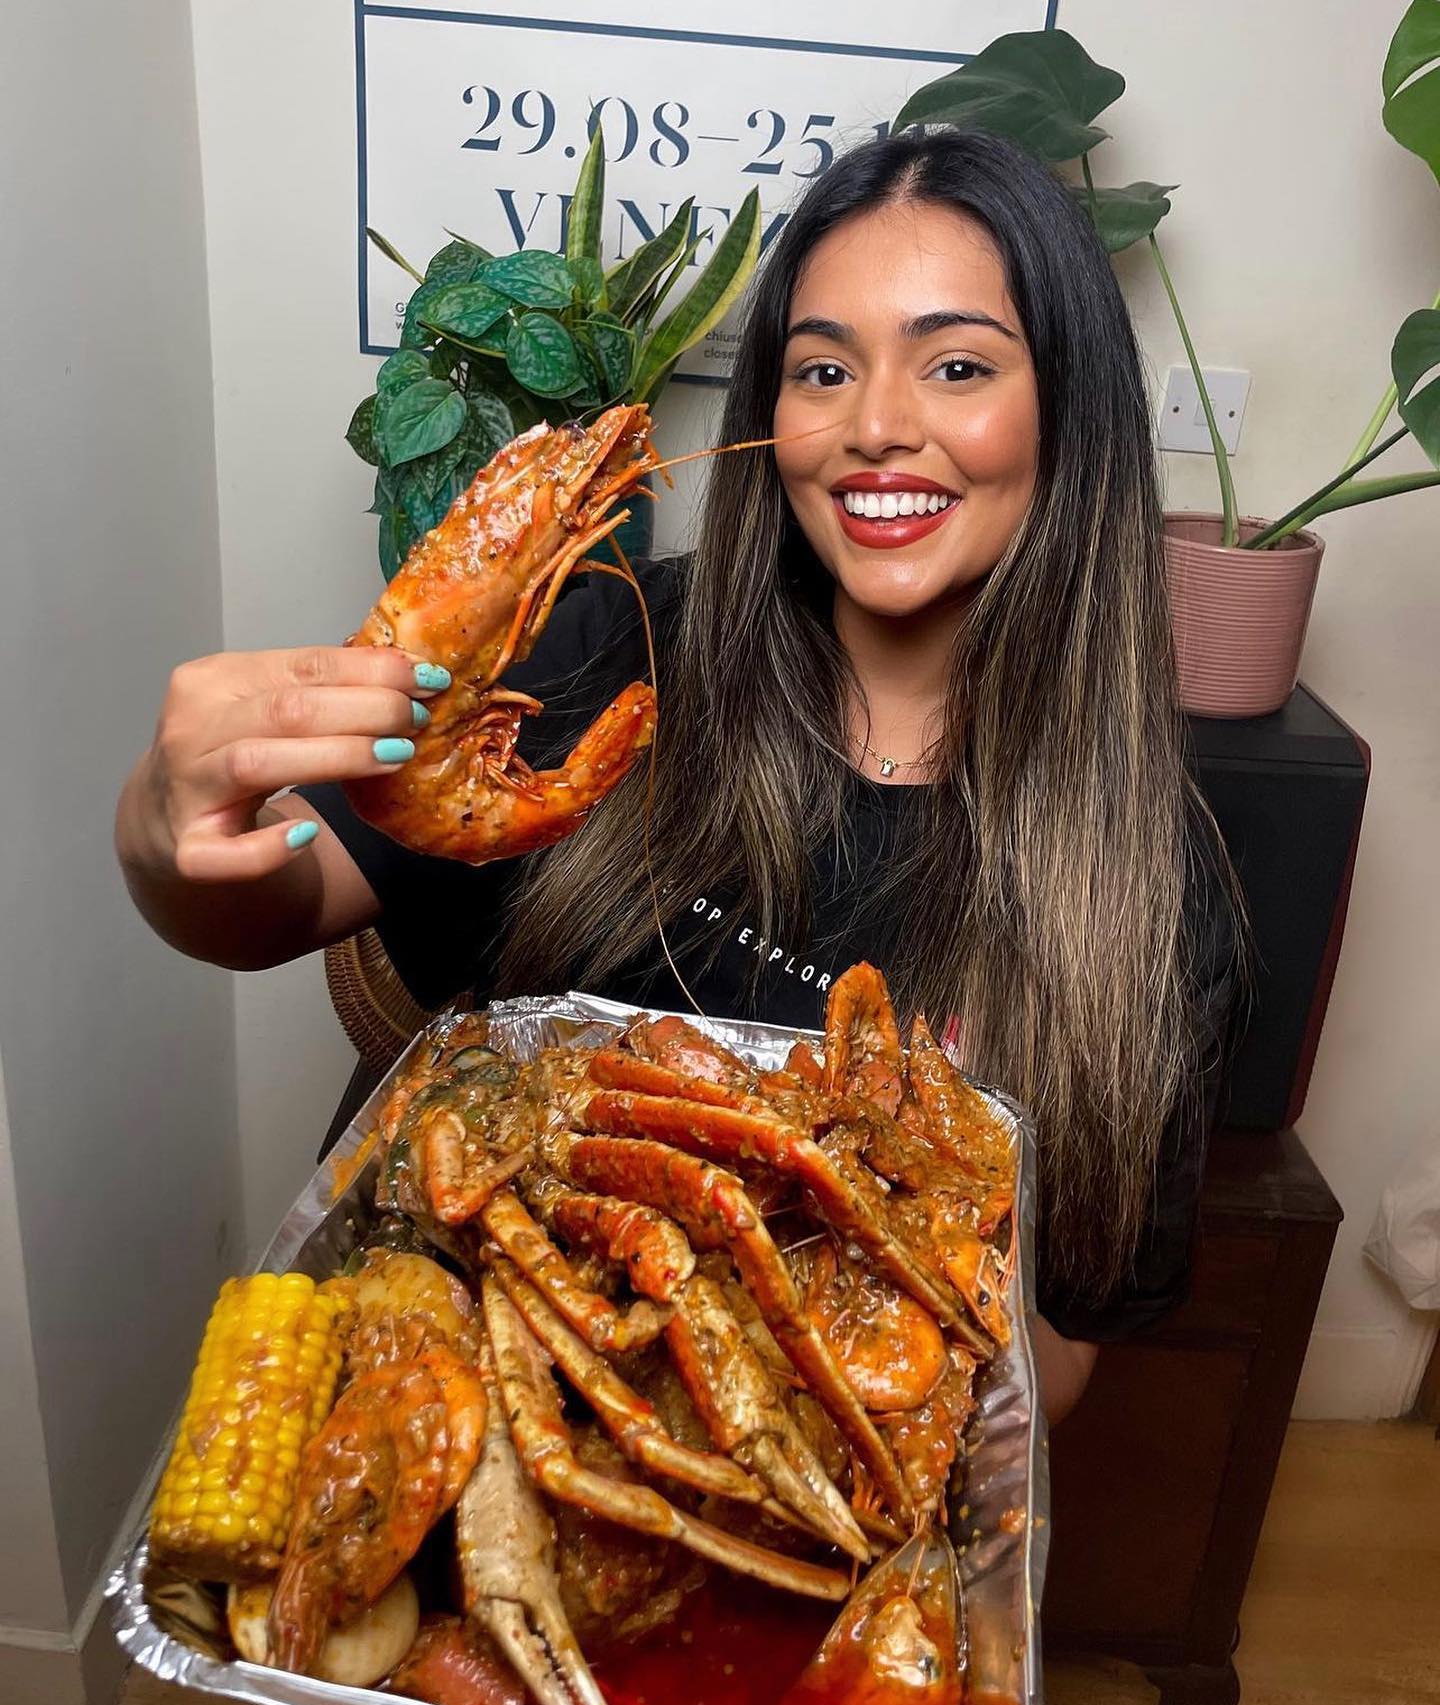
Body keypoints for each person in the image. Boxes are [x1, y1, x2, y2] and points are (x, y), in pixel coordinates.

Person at [115, 130, 1240, 1426]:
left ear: (1071, 413)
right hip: (469, 1389)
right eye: (824, 369)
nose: (876, 426)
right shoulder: (606, 643)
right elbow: (265, 908)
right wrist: (164, 833)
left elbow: (1067, 1337)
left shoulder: (1154, 882)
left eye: (957, 366)